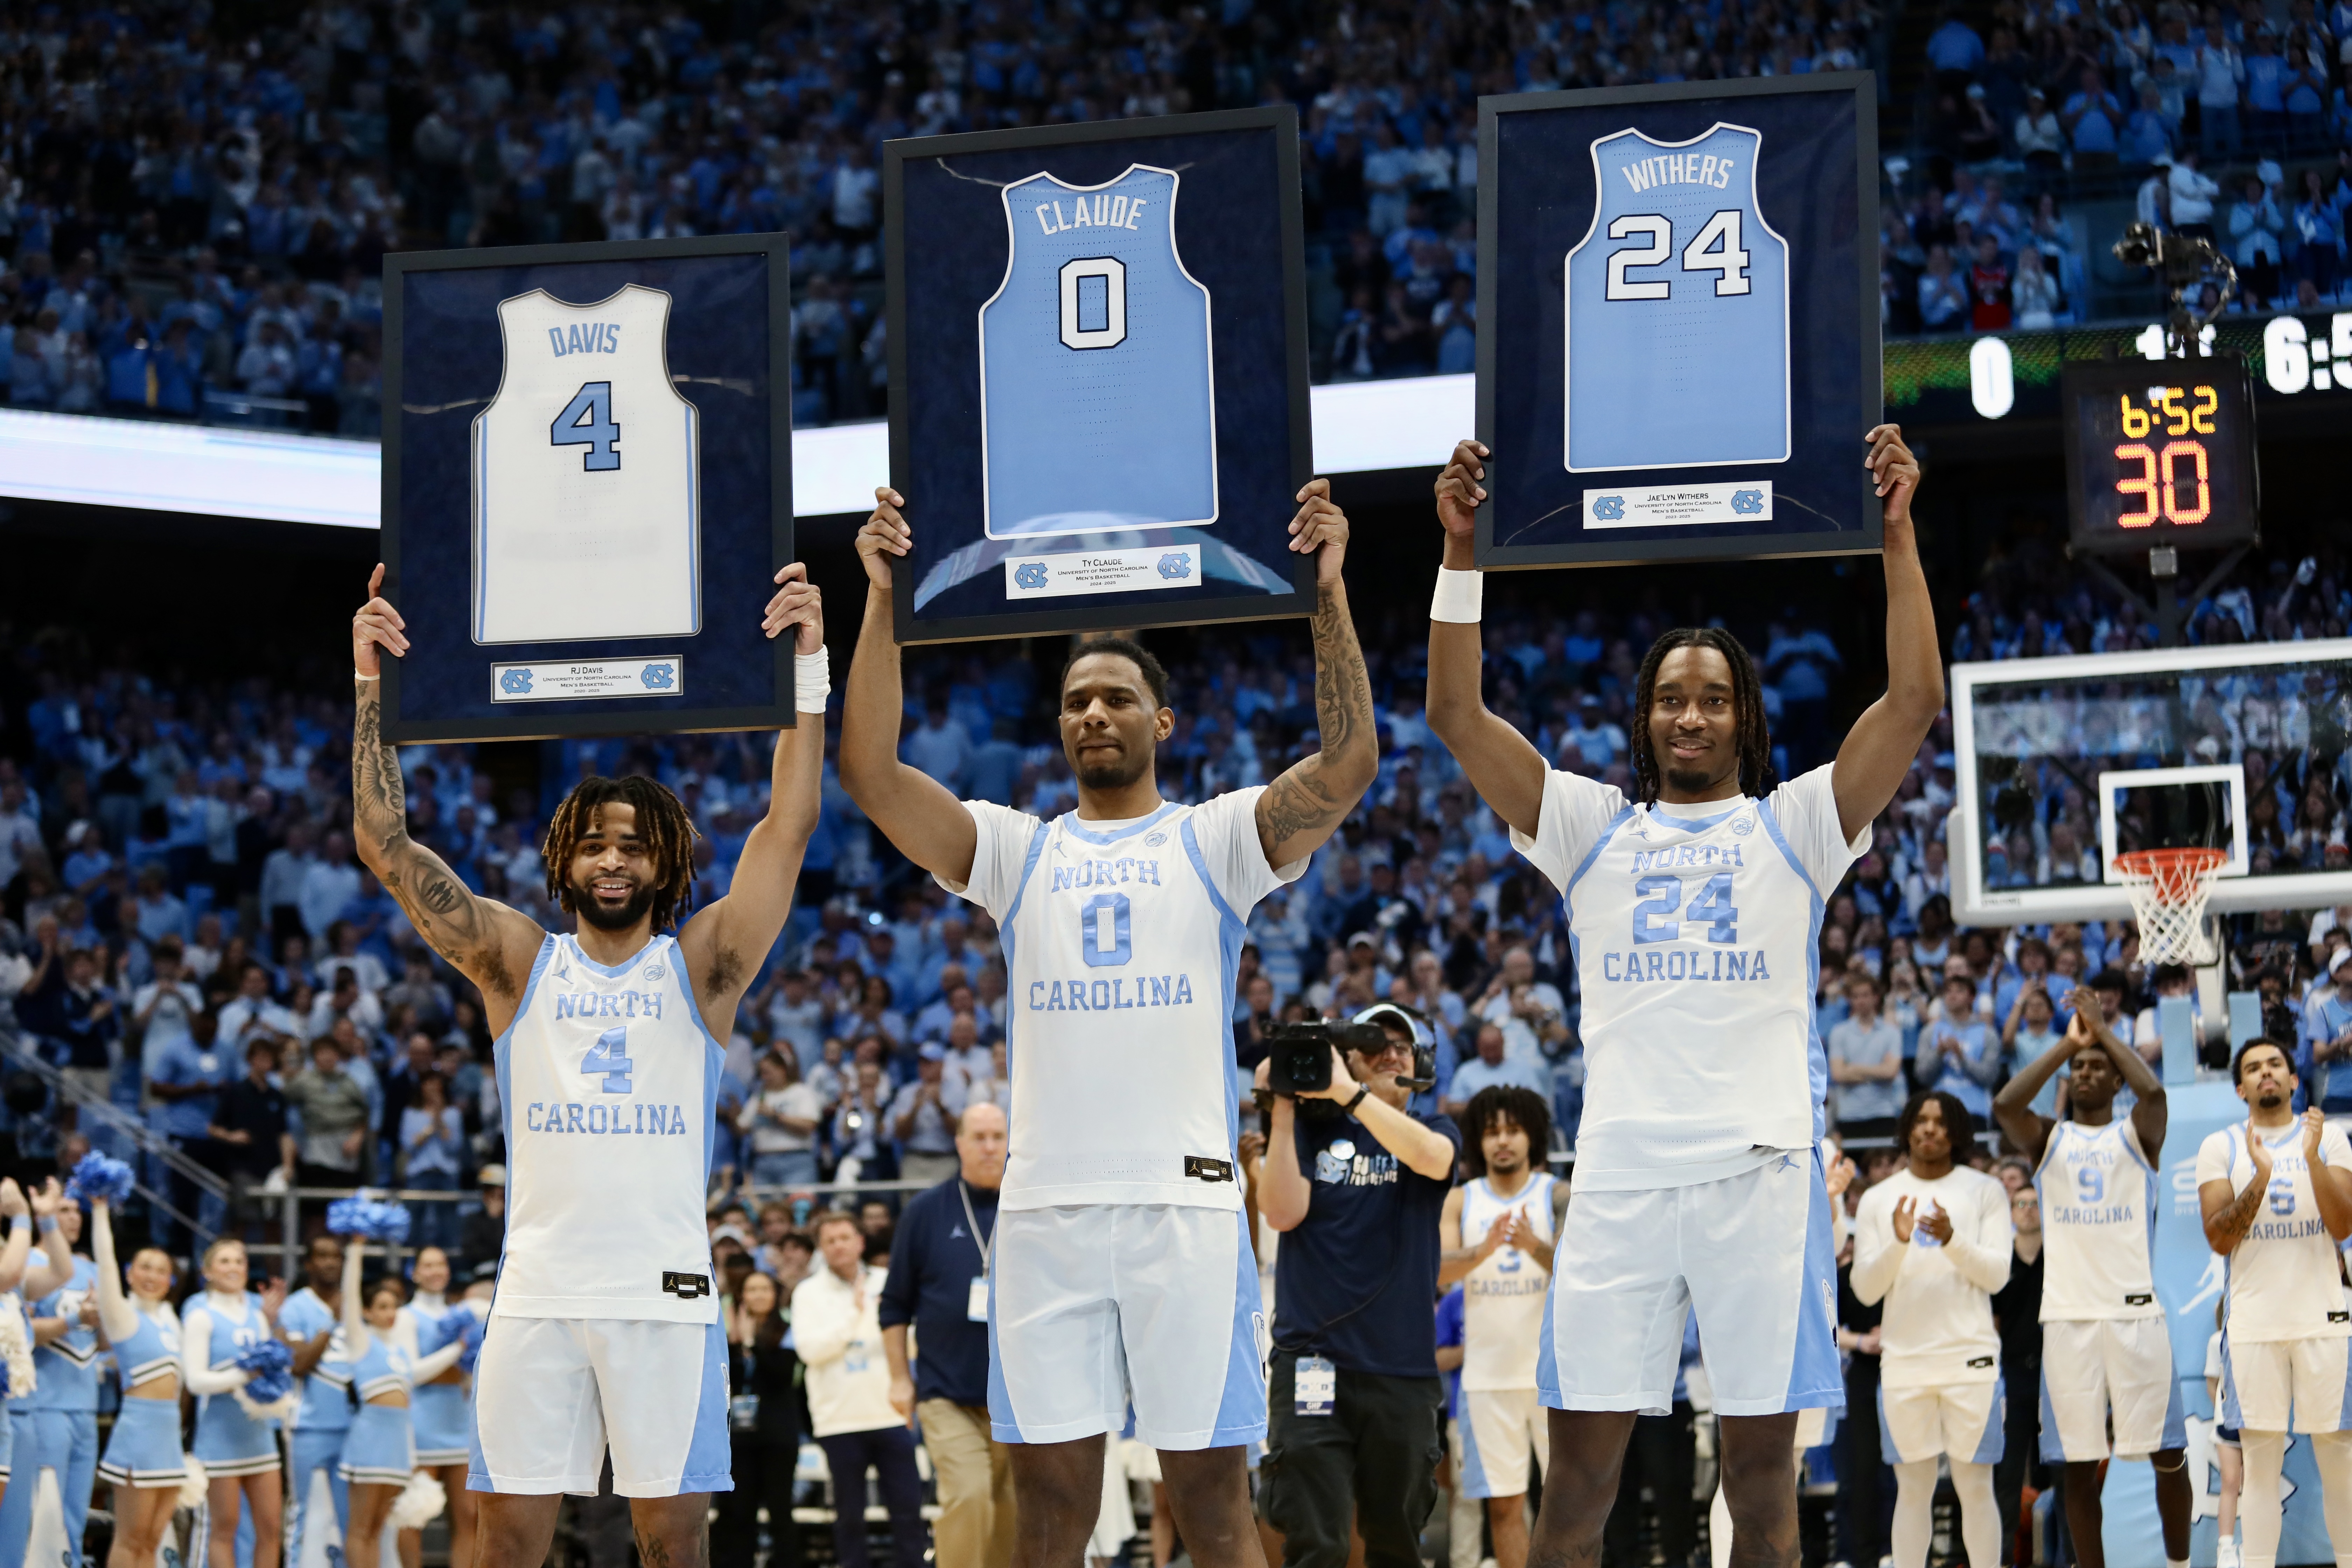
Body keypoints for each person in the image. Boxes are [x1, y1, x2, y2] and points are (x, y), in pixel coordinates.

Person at [1422, 425, 1941, 1568]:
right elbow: (1457, 716)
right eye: (1670, 700)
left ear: (1743, 717)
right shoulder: (1592, 827)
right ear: (1644, 718)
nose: (1691, 717)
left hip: (1763, 1177)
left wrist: (1898, 534)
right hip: (1618, 1181)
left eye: (1712, 699)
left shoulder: (1796, 826)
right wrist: (1461, 551)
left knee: (1761, 1496)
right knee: (1579, 1494)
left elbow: (1912, 700)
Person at [838, 476, 1374, 1568]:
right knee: (1049, 1513)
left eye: (1117, 697)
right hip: (1046, 1213)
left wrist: (1328, 590)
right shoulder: (1015, 850)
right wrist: (879, 598)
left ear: (1160, 720)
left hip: (1183, 1207)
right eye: (1078, 698)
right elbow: (870, 772)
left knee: (1216, 1504)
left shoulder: (1216, 841)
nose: (1094, 711)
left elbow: (1348, 764)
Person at [349, 554, 827, 1568]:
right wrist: (369, 683)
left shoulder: (704, 969)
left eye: (637, 846)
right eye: (596, 846)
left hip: (666, 1294)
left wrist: (808, 672)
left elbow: (789, 826)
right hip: (537, 1289)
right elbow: (386, 842)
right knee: (505, 1540)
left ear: (667, 863)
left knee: (672, 1543)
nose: (615, 860)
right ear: (564, 858)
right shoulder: (518, 963)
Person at [1255, 1002, 1460, 1568]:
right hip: (1310, 1362)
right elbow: (1280, 1213)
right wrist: (1281, 1110)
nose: (1392, 1052)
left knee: (1395, 1543)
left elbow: (1432, 1158)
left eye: (1403, 1045)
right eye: (1375, 1043)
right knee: (1316, 1542)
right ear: (1346, 1059)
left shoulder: (1435, 1128)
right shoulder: (1309, 1132)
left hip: (1402, 1371)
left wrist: (1350, 1095)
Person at [1992, 1000, 2189, 1568]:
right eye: (2078, 1070)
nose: (2085, 1074)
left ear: (2116, 1079)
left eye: (2097, 1067)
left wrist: (2101, 1032)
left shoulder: (2138, 1135)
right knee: (2076, 1463)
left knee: (2167, 1452)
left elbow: (2154, 1096)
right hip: (2069, 1319)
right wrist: (2068, 1045)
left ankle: (2180, 1564)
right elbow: (2006, 1104)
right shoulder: (2048, 1140)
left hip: (2134, 1314)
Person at [2196, 1041, 2352, 1568]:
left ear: (2293, 1081)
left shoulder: (2329, 1138)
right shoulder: (2220, 1146)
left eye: (2275, 1065)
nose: (2266, 1073)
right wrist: (2261, 1177)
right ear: (2240, 1088)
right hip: (2253, 1327)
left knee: (2341, 1466)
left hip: (2325, 1322)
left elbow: (2344, 1225)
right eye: (2253, 1069)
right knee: (2260, 1472)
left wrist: (2308, 1160)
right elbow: (2219, 1239)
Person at [1851, 1093, 2013, 1568]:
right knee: (1913, 1490)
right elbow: (1864, 1290)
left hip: (1973, 1362)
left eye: (1941, 1123)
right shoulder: (1880, 1199)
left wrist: (1950, 1239)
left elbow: (1997, 1275)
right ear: (1906, 1129)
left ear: (1958, 1133)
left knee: (1976, 1488)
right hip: (1904, 1362)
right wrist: (1900, 1242)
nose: (1929, 1130)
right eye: (1920, 1121)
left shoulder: (1985, 1191)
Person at [880, 1104, 1016, 1568]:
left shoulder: (1030, 1208)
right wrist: (901, 1379)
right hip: (946, 1395)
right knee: (970, 1496)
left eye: (998, 1136)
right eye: (978, 1136)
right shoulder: (925, 1212)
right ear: (958, 1143)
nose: (989, 1147)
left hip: (1018, 1398)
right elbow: (894, 1305)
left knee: (1012, 1515)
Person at [1437, 1086, 1564, 1568]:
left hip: (1553, 1382)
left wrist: (1534, 1246)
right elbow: (1440, 1275)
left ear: (1532, 1136)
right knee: (1505, 1508)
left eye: (1513, 1130)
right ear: (1478, 1141)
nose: (1503, 1141)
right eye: (1492, 1133)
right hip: (1486, 1380)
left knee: (1571, 1510)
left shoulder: (1557, 1193)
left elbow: (1581, 1275)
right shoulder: (1459, 1200)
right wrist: (1483, 1251)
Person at [796, 1211, 927, 1568]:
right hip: (839, 1420)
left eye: (845, 1238)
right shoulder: (807, 1292)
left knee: (907, 1510)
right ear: (822, 1248)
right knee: (849, 1517)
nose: (839, 1246)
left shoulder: (888, 1281)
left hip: (891, 1412)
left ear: (860, 1242)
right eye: (830, 1240)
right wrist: (854, 1317)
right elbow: (811, 1351)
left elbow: (913, 1341)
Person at [336, 1236, 464, 1568]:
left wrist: (460, 1349)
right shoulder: (360, 1341)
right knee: (361, 1528)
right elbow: (349, 1293)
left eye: (393, 1306)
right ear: (366, 1312)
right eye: (381, 1307)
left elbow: (421, 1377)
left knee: (379, 1529)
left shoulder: (398, 1350)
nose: (390, 1313)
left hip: (397, 1447)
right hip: (370, 1443)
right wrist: (356, 1249)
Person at [182, 1238, 290, 1568]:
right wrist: (244, 1376)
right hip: (219, 1439)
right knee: (224, 1529)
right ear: (208, 1271)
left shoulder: (258, 1315)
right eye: (225, 1262)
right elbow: (196, 1381)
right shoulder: (200, 1316)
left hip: (258, 1437)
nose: (234, 1268)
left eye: (240, 1262)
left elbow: (270, 1370)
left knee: (271, 1528)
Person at [88, 1196, 183, 1568]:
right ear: (130, 1273)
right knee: (131, 1539)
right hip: (139, 1435)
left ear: (171, 1280)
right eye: (145, 1267)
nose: (152, 1275)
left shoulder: (171, 1321)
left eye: (161, 1270)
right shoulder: (124, 1316)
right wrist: (99, 1210)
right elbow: (106, 1266)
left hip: (170, 1438)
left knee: (152, 1542)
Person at [27, 1200, 99, 1559]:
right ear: (42, 1214)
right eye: (64, 1209)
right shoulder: (25, 1262)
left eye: (77, 1210)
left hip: (87, 1404)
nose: (74, 1217)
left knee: (76, 1517)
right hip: (45, 1402)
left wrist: (106, 1322)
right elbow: (20, 1331)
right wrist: (74, 1320)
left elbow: (103, 1340)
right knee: (42, 1513)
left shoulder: (91, 1268)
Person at [400, 1246, 479, 1568]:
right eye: (428, 1265)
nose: (436, 1271)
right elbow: (412, 1374)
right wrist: (458, 1348)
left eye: (441, 1264)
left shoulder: (462, 1315)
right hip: (422, 1426)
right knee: (414, 1513)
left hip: (460, 1422)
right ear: (415, 1273)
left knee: (470, 1516)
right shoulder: (407, 1316)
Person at [280, 1235, 355, 1568]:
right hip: (308, 1426)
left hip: (354, 1427)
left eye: (336, 1256)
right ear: (309, 1263)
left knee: (349, 1518)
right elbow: (298, 1364)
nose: (330, 1262)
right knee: (303, 1512)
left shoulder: (355, 1304)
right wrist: (330, 1323)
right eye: (321, 1256)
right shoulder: (296, 1306)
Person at [716, 1273, 800, 1568]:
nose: (759, 1295)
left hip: (778, 1435)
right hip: (741, 1437)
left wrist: (754, 1343)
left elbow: (782, 1376)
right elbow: (728, 1382)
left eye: (765, 1289)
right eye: (752, 1289)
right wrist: (737, 1345)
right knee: (740, 1514)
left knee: (780, 1512)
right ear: (742, 1297)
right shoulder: (727, 1338)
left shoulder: (787, 1330)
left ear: (775, 1295)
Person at [1828, 973, 1906, 1140]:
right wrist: (1878, 1071)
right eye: (1856, 997)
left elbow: (1891, 1072)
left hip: (1883, 1113)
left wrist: (1854, 1068)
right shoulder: (1839, 1032)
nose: (1861, 1001)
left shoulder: (1891, 1033)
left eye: (1865, 995)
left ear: (1876, 998)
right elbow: (1838, 1074)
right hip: (1849, 1115)